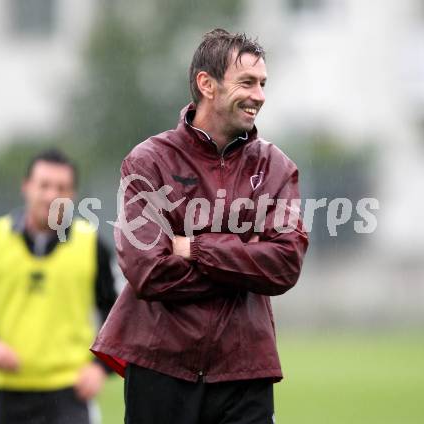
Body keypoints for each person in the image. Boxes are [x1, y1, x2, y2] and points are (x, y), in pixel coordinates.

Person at [91, 29, 309, 424]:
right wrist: (245, 261)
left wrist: (194, 249)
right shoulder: (148, 162)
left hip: (245, 369)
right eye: (246, 82)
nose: (259, 95)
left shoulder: (276, 167)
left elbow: (285, 264)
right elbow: (148, 272)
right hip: (160, 366)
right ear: (206, 84)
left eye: (262, 84)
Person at [0, 149, 118, 424]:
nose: (51, 196)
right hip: (9, 391)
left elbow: (119, 315)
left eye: (61, 188)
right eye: (44, 185)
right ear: (26, 186)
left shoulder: (91, 245)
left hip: (70, 393)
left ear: (73, 194)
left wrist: (101, 367)